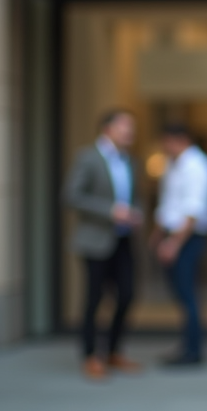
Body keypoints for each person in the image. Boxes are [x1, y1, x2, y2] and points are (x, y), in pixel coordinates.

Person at [63, 109, 144, 381]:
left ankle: (112, 351)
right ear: (107, 129)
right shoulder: (87, 157)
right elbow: (72, 196)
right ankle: (90, 356)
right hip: (95, 240)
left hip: (122, 239)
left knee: (127, 294)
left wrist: (136, 214)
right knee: (94, 299)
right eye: (125, 126)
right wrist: (111, 211)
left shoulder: (130, 161)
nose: (130, 132)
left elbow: (136, 197)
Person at [151, 124, 207, 366]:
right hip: (175, 235)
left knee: (188, 293)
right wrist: (159, 233)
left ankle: (193, 350)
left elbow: (193, 211)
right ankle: (188, 345)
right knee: (182, 293)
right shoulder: (174, 164)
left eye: (166, 141)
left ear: (179, 140)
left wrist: (173, 243)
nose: (164, 147)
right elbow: (168, 203)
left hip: (187, 238)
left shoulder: (197, 166)